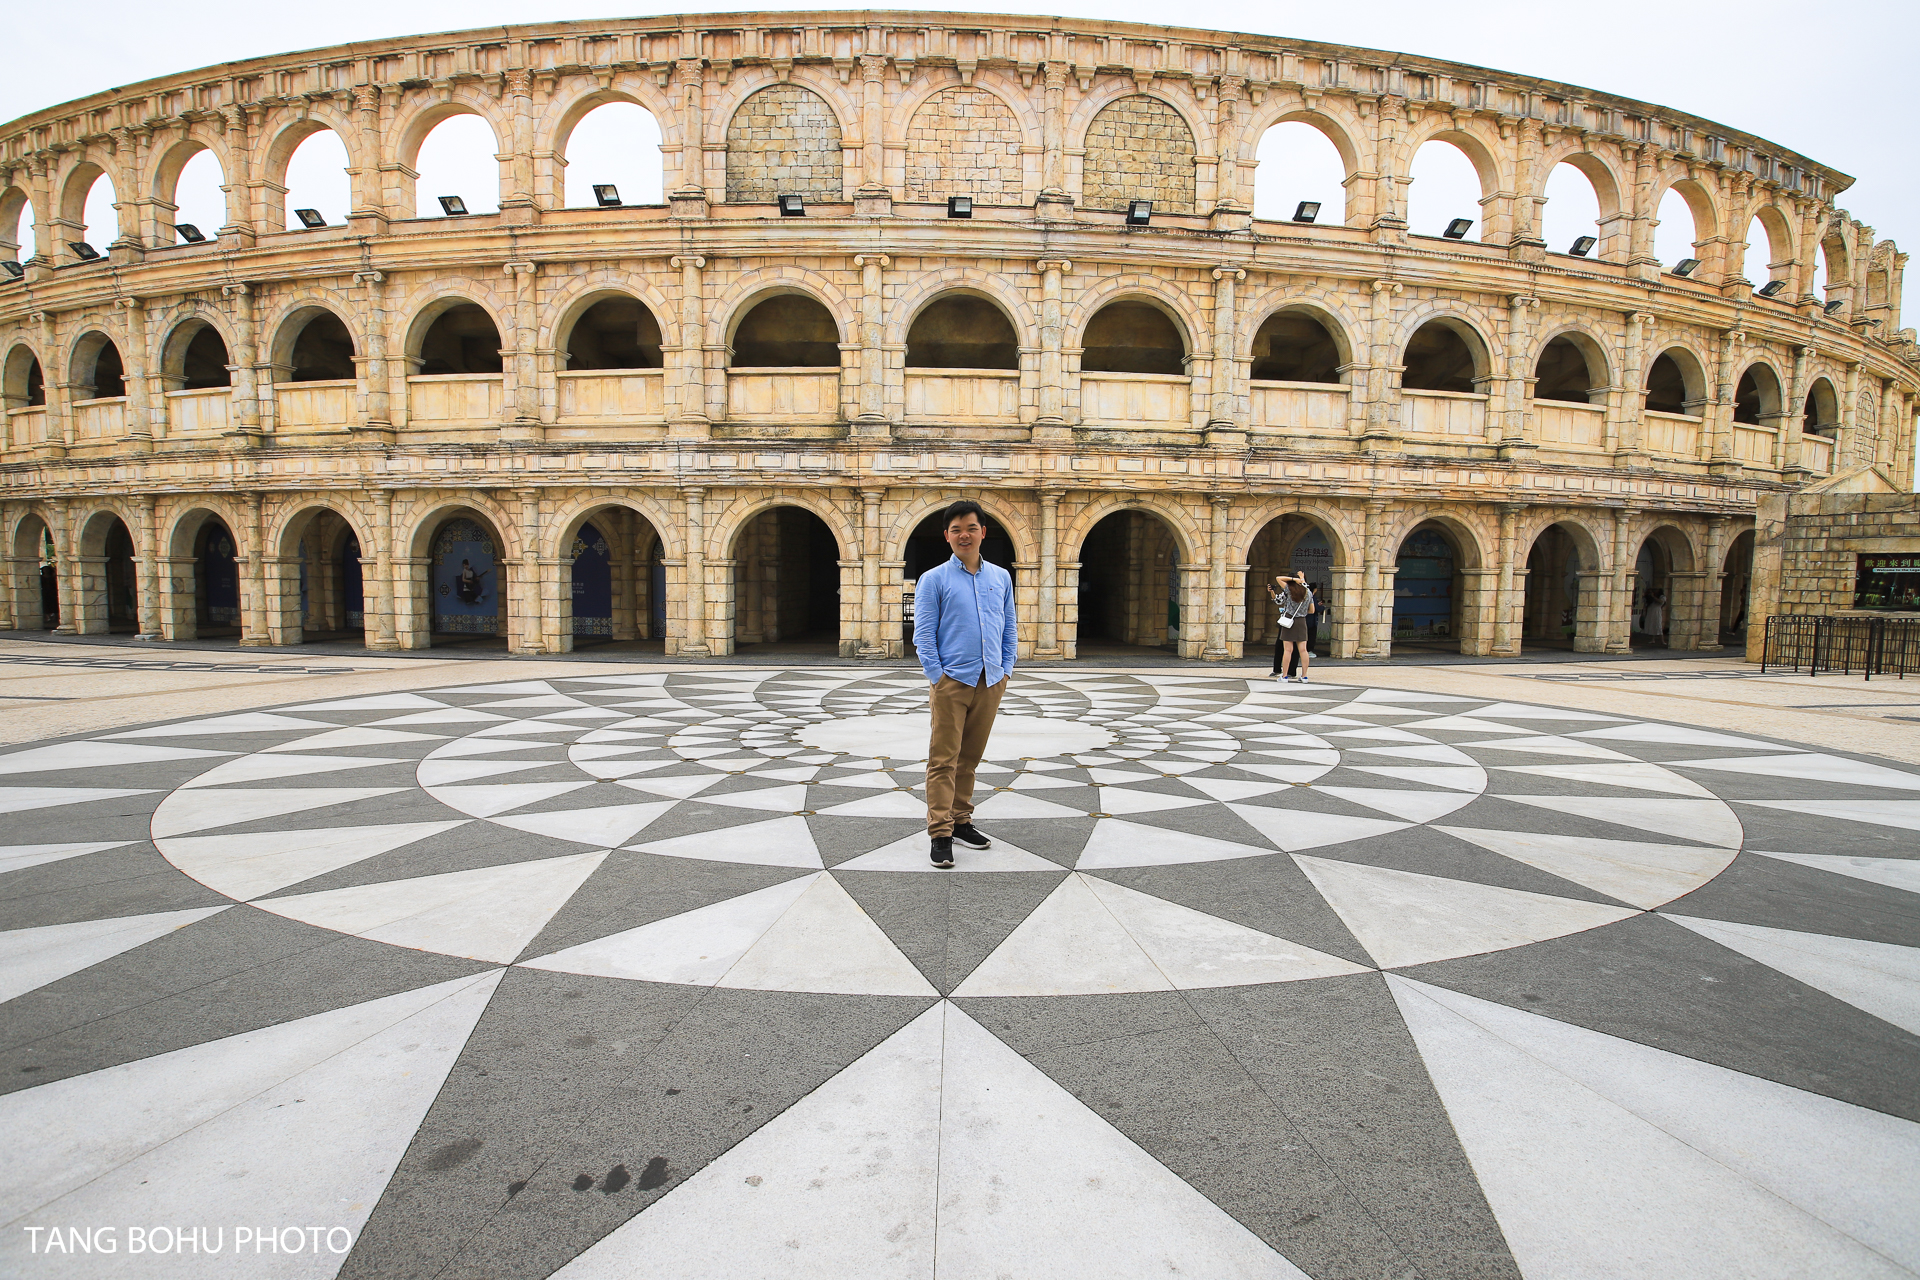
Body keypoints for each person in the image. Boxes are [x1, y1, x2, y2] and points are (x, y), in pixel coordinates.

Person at [912, 500, 1018, 868]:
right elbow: (923, 635)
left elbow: (1009, 628)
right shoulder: (934, 579)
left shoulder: (1000, 577)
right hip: (952, 681)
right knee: (944, 759)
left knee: (969, 759)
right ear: (947, 536)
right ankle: (940, 832)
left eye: (971, 528)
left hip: (990, 680)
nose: (964, 535)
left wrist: (1006, 670)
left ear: (983, 532)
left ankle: (961, 820)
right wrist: (937, 677)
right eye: (956, 529)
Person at [1269, 572, 1316, 682]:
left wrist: (1294, 579)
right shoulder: (1308, 592)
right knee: (1303, 650)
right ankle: (1304, 676)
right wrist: (1302, 579)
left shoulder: (1289, 590)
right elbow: (1312, 610)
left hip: (1289, 620)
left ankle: (1284, 675)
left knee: (1288, 650)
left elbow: (1278, 578)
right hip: (1302, 621)